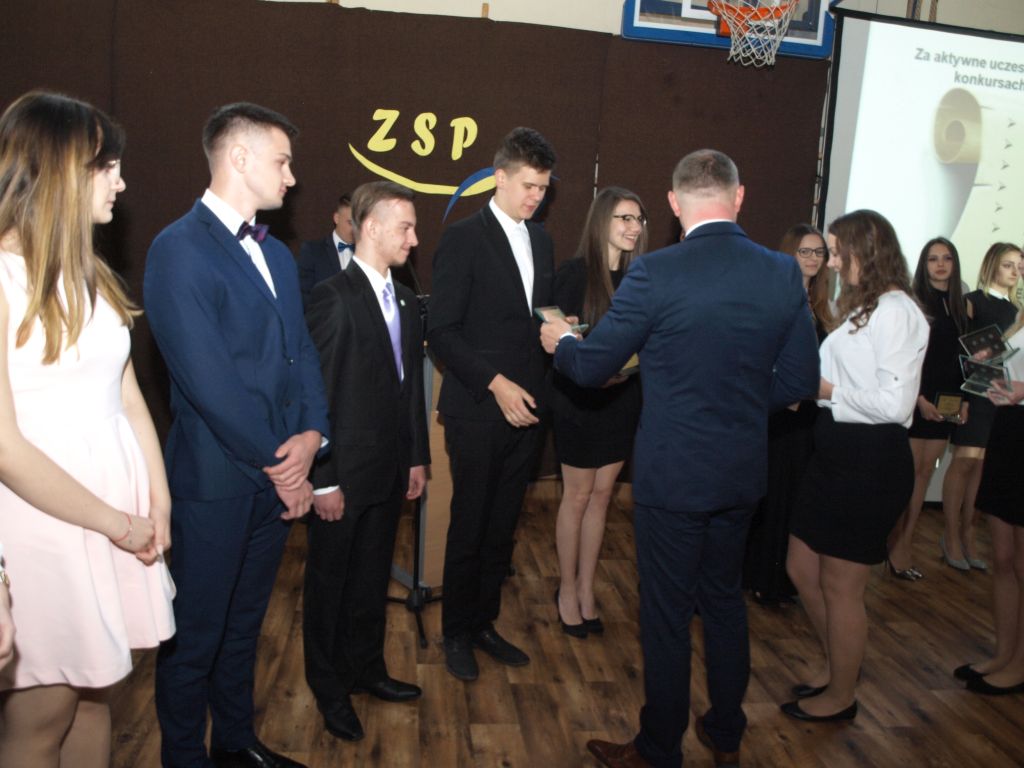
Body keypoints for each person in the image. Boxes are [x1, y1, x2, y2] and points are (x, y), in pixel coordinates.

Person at [542, 149, 819, 768]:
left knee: (667, 615)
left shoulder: (655, 272)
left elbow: (591, 365)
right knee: (723, 602)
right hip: (741, 471)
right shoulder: (781, 273)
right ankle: (725, 731)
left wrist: (560, 342)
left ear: (673, 204)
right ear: (738, 196)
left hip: (673, 474)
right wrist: (738, 408)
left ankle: (659, 748)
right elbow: (801, 380)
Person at [145, 102, 330, 768]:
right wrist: (285, 465)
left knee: (245, 626)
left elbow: (301, 354)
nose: (291, 177)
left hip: (274, 476)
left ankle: (236, 743)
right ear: (240, 157)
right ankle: (183, 757)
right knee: (194, 637)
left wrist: (313, 434)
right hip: (216, 481)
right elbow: (209, 384)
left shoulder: (276, 253)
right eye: (283, 162)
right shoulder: (177, 249)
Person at [0, 91, 174, 766]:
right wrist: (115, 522)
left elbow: (127, 395)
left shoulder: (89, 274)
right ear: (56, 169)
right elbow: (6, 448)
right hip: (45, 527)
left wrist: (157, 499)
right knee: (41, 720)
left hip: (113, 523)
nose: (120, 183)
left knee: (96, 695)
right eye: (106, 167)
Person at [784, 209, 928, 723]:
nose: (830, 260)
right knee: (801, 566)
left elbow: (895, 404)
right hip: (836, 456)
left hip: (870, 462)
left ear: (864, 250)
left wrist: (827, 392)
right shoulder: (860, 309)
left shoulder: (897, 311)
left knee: (842, 586)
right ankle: (837, 665)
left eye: (837, 250)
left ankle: (842, 694)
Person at [426, 127, 556, 682]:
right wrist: (496, 383)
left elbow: (532, 319)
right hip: (479, 407)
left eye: (543, 189)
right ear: (499, 178)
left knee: (502, 527)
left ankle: (483, 624)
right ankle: (456, 631)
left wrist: (558, 329)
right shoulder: (463, 238)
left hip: (528, 409)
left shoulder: (542, 241)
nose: (536, 197)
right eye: (528, 186)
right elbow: (441, 331)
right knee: (471, 523)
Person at [302, 181, 430, 741]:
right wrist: (323, 480)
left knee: (371, 580)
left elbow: (409, 391)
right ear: (371, 228)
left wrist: (417, 458)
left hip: (389, 471)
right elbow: (317, 396)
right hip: (343, 476)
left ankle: (366, 669)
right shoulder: (333, 296)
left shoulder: (404, 298)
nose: (414, 239)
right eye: (405, 228)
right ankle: (328, 687)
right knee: (329, 586)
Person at [549, 187, 646, 637]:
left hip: (622, 400)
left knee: (603, 497)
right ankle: (567, 589)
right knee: (578, 496)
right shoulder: (573, 274)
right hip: (578, 401)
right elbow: (556, 341)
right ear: (602, 220)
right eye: (624, 218)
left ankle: (587, 588)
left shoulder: (642, 278)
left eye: (638, 219)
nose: (634, 227)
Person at [744, 223, 833, 605]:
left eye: (819, 252)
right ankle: (760, 577)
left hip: (810, 416)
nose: (813, 258)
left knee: (796, 499)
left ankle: (782, 579)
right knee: (772, 496)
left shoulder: (826, 307)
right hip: (778, 411)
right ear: (789, 254)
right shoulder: (773, 299)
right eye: (805, 251)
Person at [886, 237, 968, 580]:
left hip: (946, 401)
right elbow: (906, 356)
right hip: (916, 398)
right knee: (907, 476)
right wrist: (918, 398)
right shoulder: (914, 302)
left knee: (924, 475)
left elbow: (964, 361)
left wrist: (964, 400)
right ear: (924, 264)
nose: (940, 264)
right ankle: (894, 545)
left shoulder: (963, 305)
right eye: (933, 258)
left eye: (946, 258)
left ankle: (903, 545)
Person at [940, 242, 1021, 571]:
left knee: (982, 468)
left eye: (1018, 265)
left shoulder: (1017, 310)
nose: (1015, 271)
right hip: (974, 394)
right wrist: (960, 399)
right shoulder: (972, 302)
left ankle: (969, 533)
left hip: (1003, 398)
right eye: (1008, 265)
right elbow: (957, 353)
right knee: (963, 463)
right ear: (991, 266)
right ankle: (950, 535)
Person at [957, 309, 1024, 695]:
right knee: (1002, 557)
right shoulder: (1018, 323)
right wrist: (988, 372)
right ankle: (1004, 654)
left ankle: (1020, 664)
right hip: (1008, 430)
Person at [297, 193, 354, 309]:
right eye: (350, 223)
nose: (355, 229)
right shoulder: (312, 251)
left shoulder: (368, 255)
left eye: (359, 224)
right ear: (336, 218)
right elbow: (303, 296)